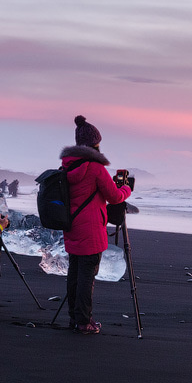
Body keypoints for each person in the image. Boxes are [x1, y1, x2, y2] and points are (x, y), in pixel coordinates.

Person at [61, 115, 131, 334]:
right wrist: (127, 188)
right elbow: (115, 197)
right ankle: (84, 321)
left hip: (72, 227)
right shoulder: (95, 168)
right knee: (86, 277)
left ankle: (74, 318)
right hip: (91, 231)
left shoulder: (67, 166)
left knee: (75, 274)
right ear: (95, 144)